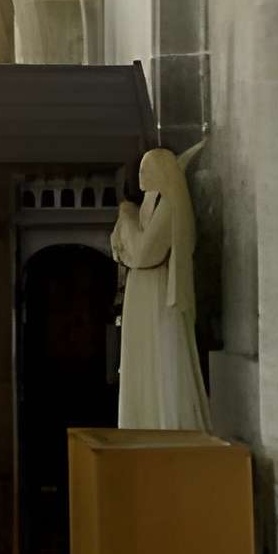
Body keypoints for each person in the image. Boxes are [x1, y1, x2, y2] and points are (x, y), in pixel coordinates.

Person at [110, 143, 211, 430]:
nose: (142, 175)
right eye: (140, 169)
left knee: (162, 360)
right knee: (141, 364)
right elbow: (121, 250)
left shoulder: (170, 205)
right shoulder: (147, 204)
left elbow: (143, 253)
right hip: (141, 290)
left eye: (147, 168)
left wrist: (126, 219)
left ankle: (166, 427)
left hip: (156, 290)